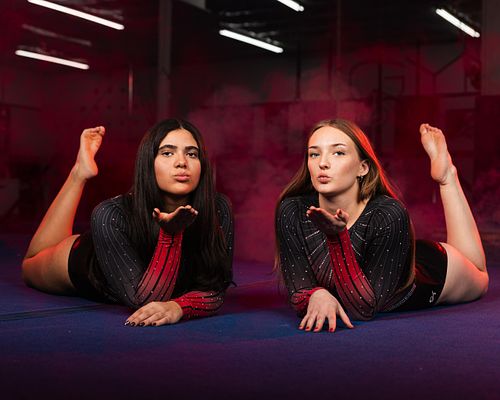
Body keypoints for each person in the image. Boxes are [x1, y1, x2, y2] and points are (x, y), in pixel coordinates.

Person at [275, 119, 488, 333]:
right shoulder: (291, 210)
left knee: (480, 275)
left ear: (363, 167)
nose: (323, 163)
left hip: (428, 270)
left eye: (338, 153)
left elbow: (363, 309)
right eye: (314, 154)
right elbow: (299, 291)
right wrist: (316, 294)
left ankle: (447, 177)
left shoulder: (389, 213)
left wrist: (337, 237)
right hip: (389, 253)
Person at [22, 119, 233, 327]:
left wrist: (179, 307)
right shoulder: (110, 214)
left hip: (139, 262)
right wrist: (170, 235)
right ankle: (79, 173)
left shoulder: (218, 208)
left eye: (192, 154)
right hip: (85, 262)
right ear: (148, 163)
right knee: (30, 264)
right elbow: (146, 301)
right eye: (167, 153)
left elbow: (217, 288)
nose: (182, 162)